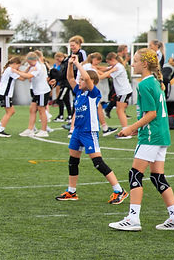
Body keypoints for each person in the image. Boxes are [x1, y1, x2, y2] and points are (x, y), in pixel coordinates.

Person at [109, 49, 174, 231]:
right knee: (157, 176)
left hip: (151, 137)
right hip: (161, 135)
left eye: (135, 61)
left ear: (144, 64)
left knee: (135, 174)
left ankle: (133, 219)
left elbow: (151, 114)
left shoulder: (144, 84)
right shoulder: (154, 82)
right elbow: (155, 114)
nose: (132, 64)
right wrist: (136, 129)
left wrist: (130, 128)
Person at [55, 55, 128, 204]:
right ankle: (71, 192)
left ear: (91, 82)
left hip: (89, 132)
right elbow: (70, 78)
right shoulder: (79, 92)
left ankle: (119, 190)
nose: (79, 81)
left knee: (98, 163)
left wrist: (78, 64)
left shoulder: (93, 94)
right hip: (78, 131)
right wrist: (70, 64)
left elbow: (88, 78)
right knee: (73, 161)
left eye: (82, 79)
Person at [99, 52, 133, 137]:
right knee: (119, 110)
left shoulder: (118, 67)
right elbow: (104, 69)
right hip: (122, 92)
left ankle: (125, 132)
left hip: (124, 91)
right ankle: (125, 130)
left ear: (112, 60)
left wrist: (97, 73)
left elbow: (106, 75)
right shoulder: (115, 66)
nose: (109, 64)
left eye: (109, 62)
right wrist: (94, 67)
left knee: (120, 111)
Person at [20, 52, 51, 138]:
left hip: (42, 91)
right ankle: (30, 129)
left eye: (29, 62)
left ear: (33, 60)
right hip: (37, 91)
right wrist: (28, 68)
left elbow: (28, 76)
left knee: (41, 110)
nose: (29, 64)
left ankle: (44, 130)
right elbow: (24, 76)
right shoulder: (34, 66)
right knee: (32, 109)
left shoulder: (38, 67)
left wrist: (16, 72)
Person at [49, 53, 70, 121]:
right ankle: (69, 115)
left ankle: (62, 116)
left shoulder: (65, 64)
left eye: (59, 57)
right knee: (66, 100)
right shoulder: (61, 65)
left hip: (65, 84)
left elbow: (63, 75)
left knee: (60, 99)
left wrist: (56, 79)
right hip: (61, 83)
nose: (58, 59)